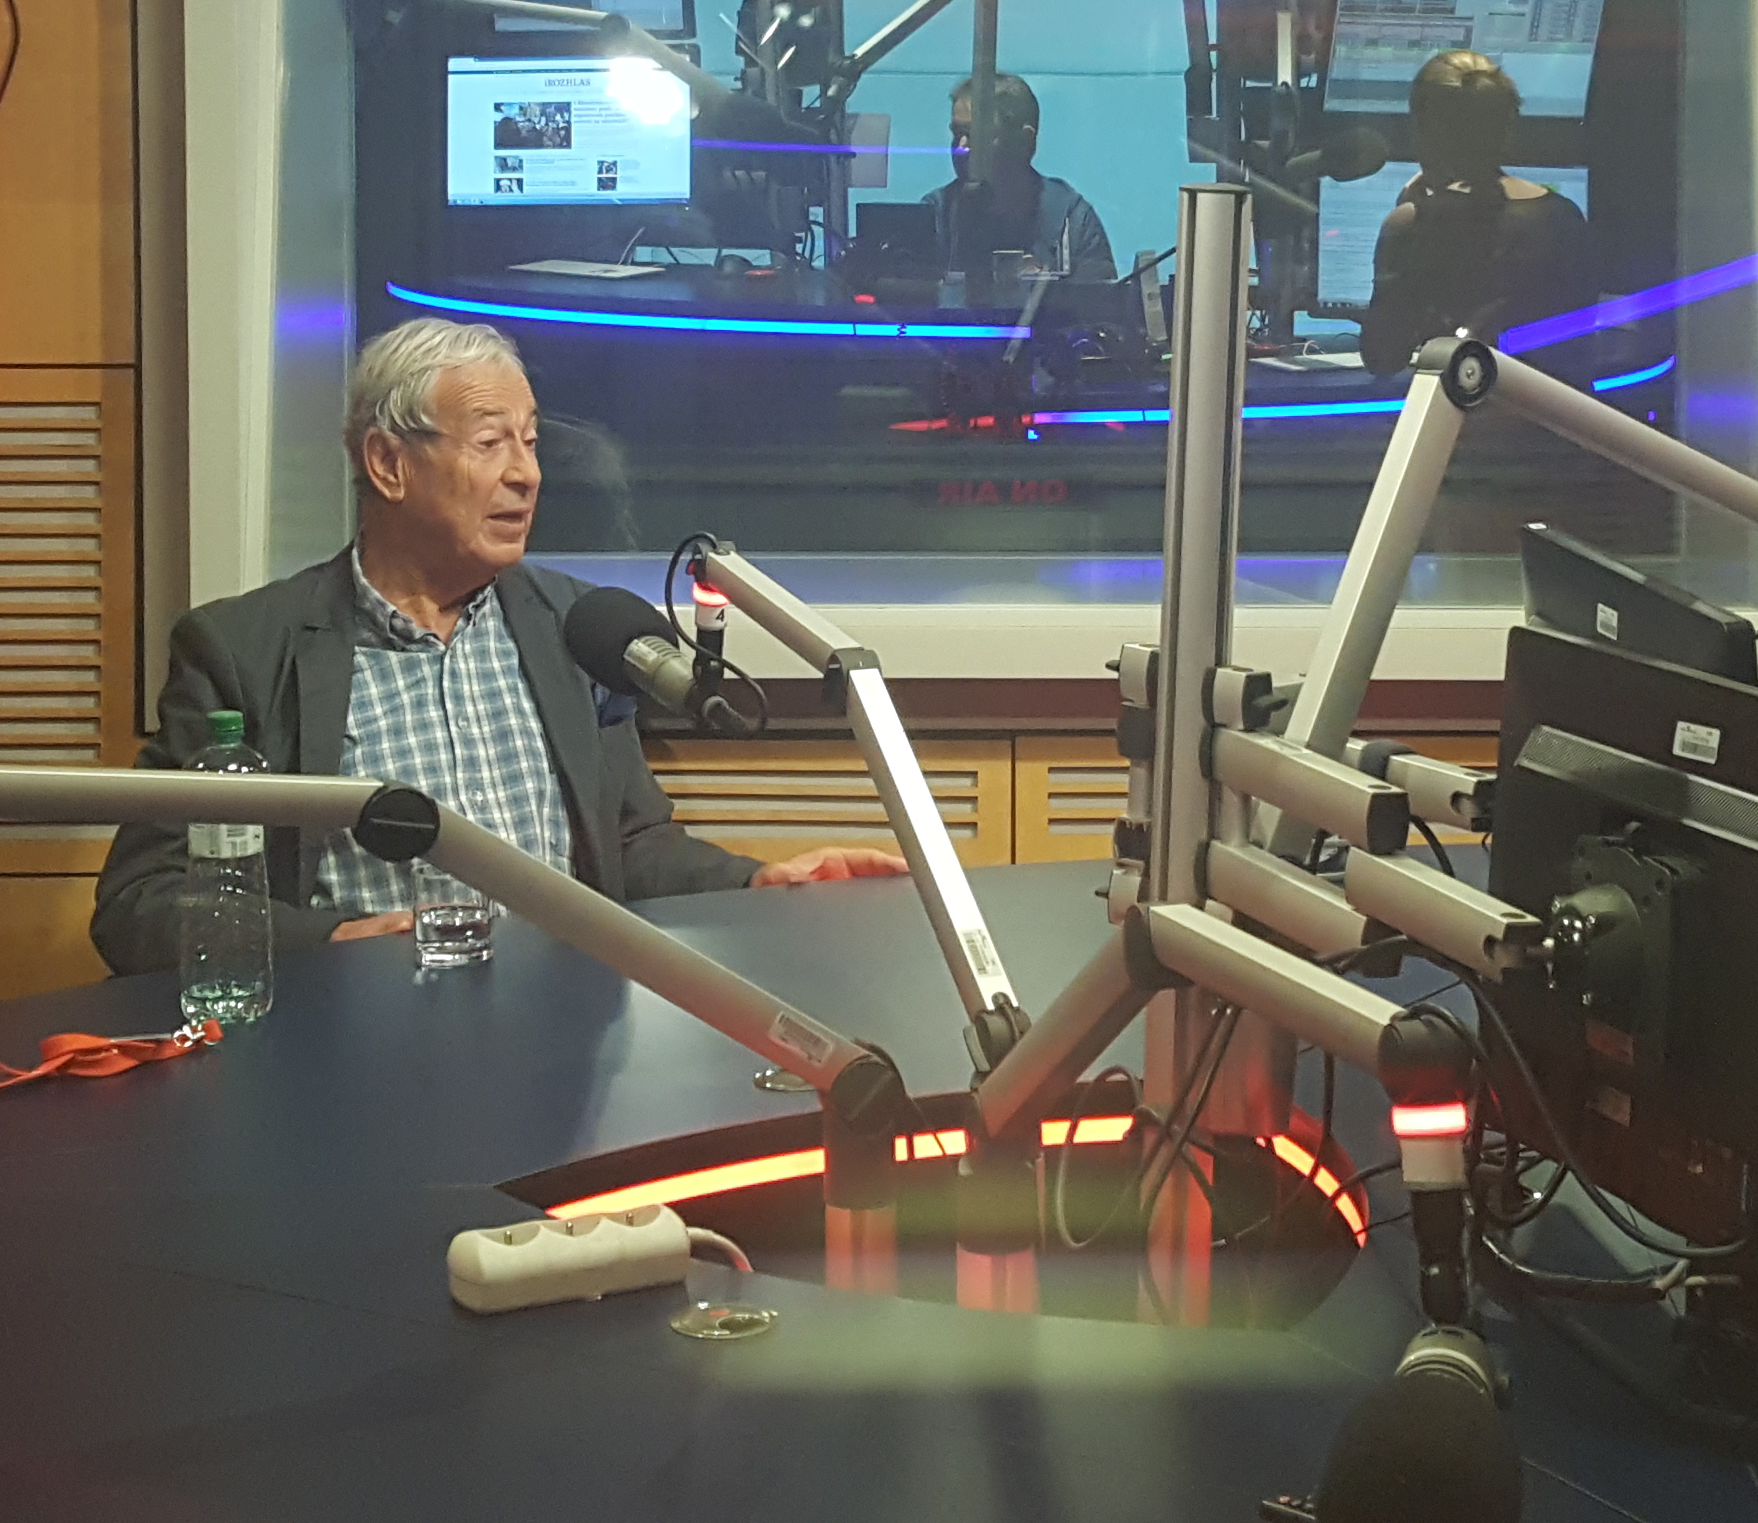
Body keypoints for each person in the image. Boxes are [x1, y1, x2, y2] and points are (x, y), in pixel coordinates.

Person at [89, 319, 902, 970]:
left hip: (562, 1042)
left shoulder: (574, 628)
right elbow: (142, 905)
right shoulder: (242, 651)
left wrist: (760, 883)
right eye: (490, 444)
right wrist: (334, 942)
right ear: (388, 463)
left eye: (532, 441)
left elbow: (630, 849)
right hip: (354, 1044)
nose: (527, 475)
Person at [1356, 46, 1591, 370]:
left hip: (1461, 401)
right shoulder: (1564, 217)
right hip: (1554, 403)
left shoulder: (1414, 224)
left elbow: (1382, 358)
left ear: (1424, 131)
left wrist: (1404, 220)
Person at [920, 70, 1114, 291]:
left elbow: (1103, 308)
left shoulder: (1072, 223)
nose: (961, 147)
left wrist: (1042, 292)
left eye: (978, 135)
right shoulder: (935, 216)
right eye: (957, 134)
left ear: (1025, 141)